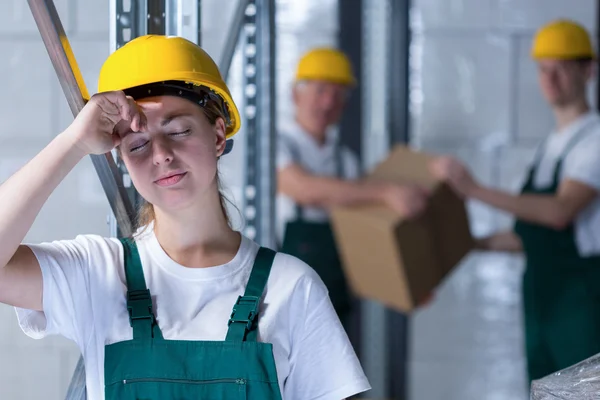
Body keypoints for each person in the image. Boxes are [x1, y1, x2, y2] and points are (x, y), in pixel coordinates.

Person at [0, 35, 371, 400]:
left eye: (179, 130)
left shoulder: (290, 288)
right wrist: (74, 142)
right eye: (138, 144)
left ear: (218, 136)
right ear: (124, 160)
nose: (161, 154)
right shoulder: (96, 273)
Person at [430, 19, 600, 382]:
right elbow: (527, 235)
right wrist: (466, 244)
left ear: (589, 70)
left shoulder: (595, 140)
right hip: (542, 305)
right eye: (543, 69)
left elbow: (559, 212)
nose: (549, 79)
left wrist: (473, 189)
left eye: (562, 68)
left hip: (582, 306)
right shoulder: (548, 148)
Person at [277, 48, 429, 322]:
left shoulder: (345, 160)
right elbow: (303, 189)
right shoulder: (276, 145)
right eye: (320, 91)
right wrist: (386, 193)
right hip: (281, 295)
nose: (327, 103)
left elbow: (364, 234)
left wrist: (410, 281)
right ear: (295, 94)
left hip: (332, 299)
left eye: (337, 95)